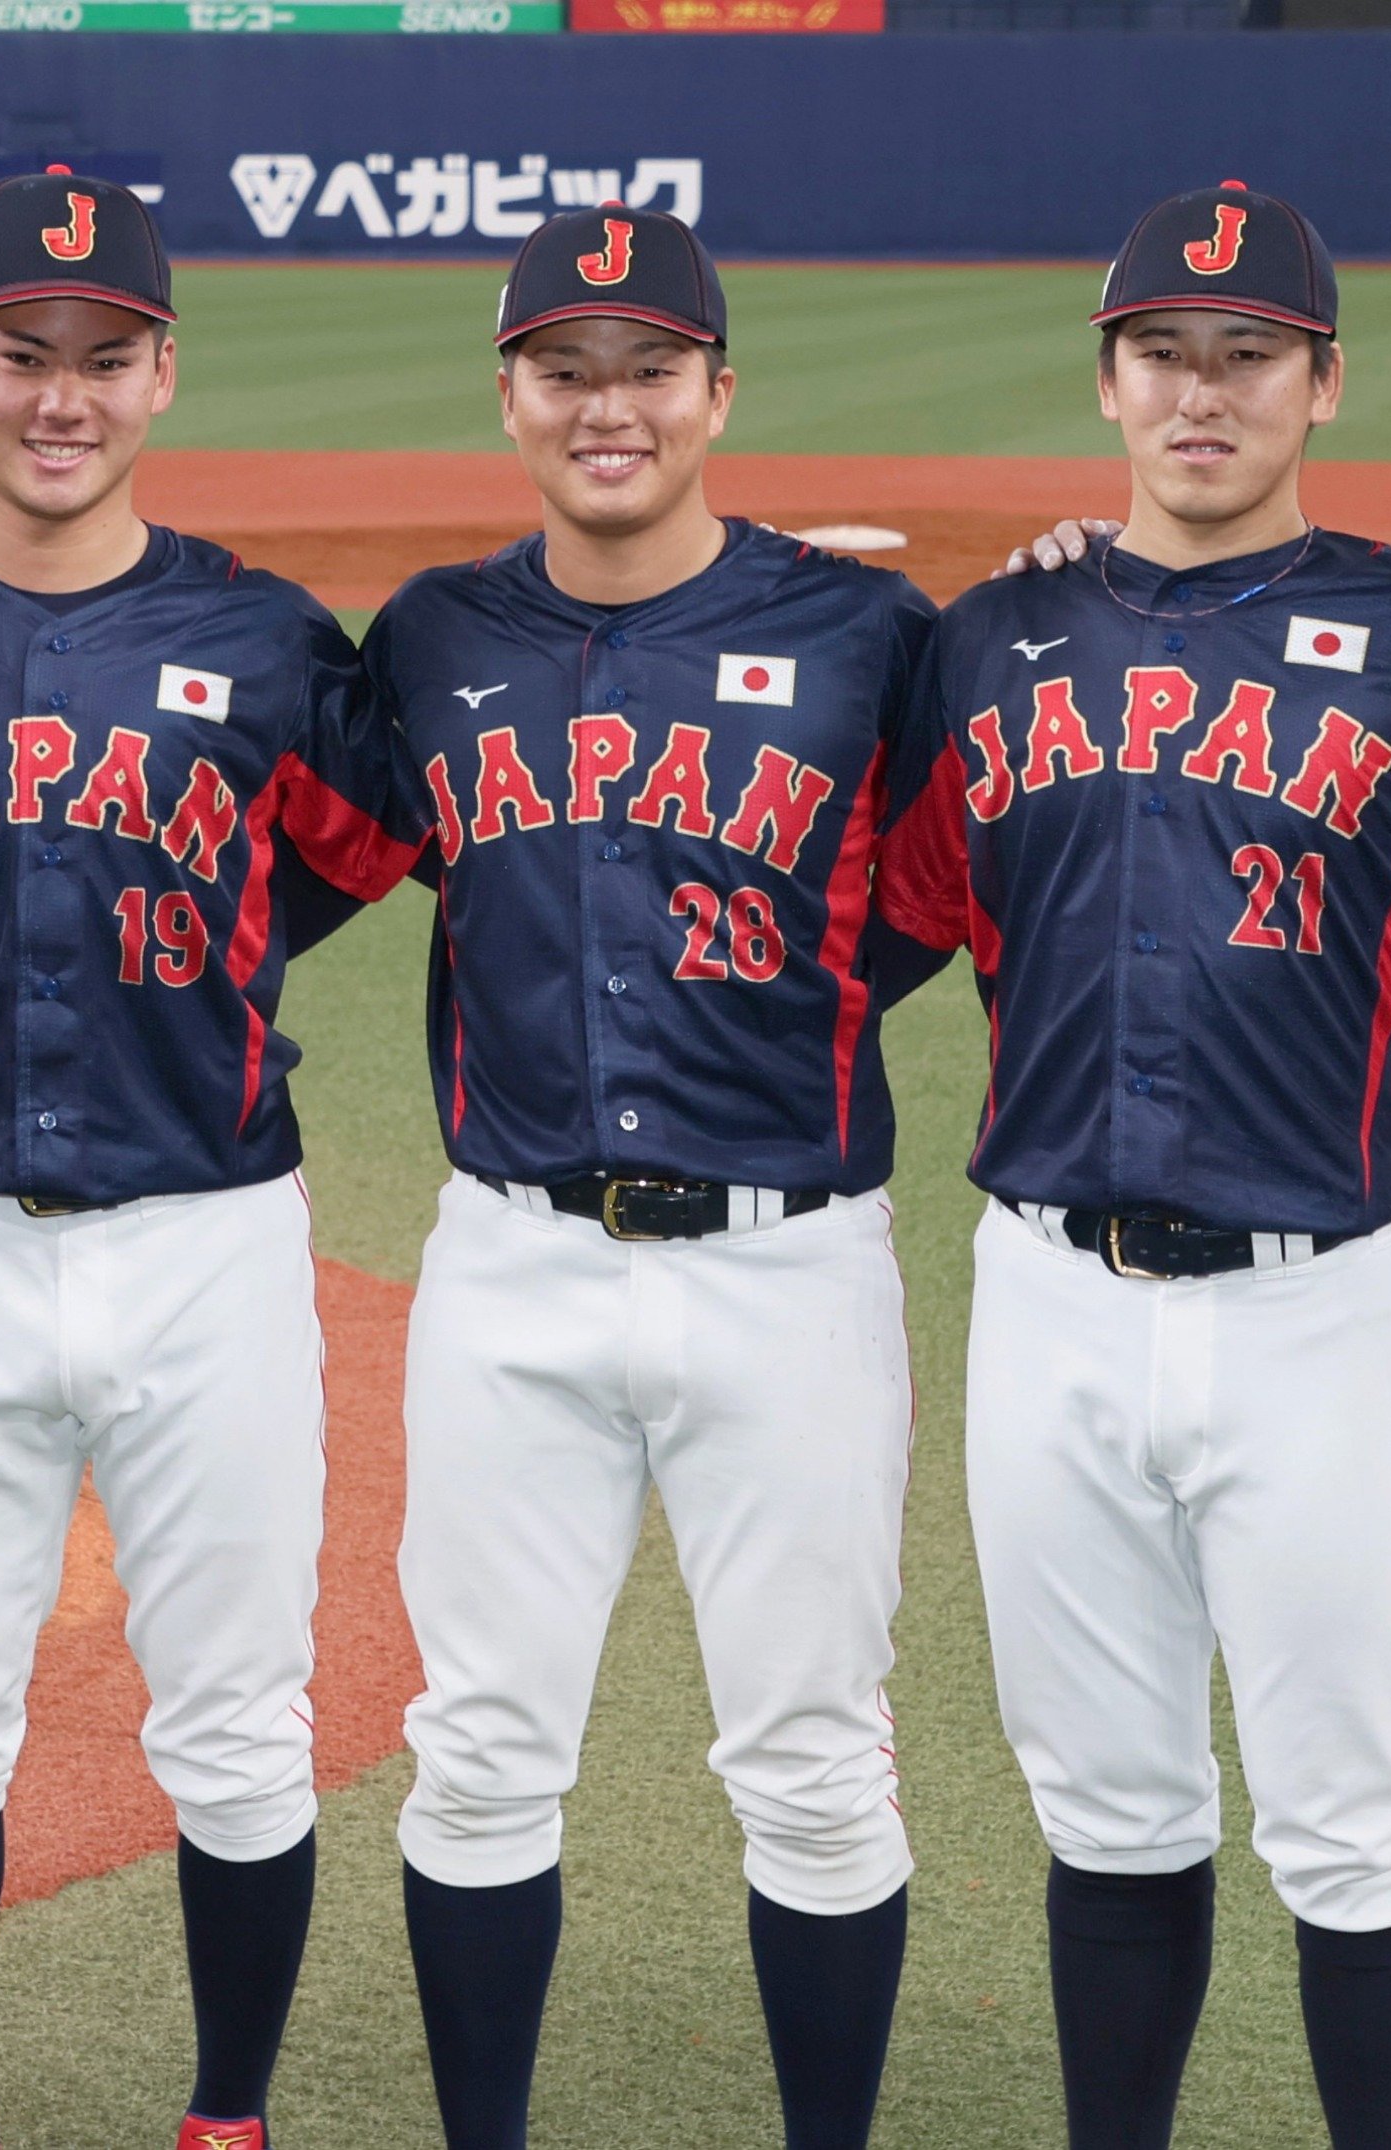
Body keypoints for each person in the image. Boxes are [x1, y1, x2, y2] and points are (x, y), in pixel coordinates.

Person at [0, 170, 407, 2150]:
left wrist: (202, 943)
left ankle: (225, 2115)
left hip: (206, 1244)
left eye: (103, 358)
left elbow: (372, 843)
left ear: (160, 377)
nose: (60, 395)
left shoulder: (263, 637)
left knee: (235, 1711)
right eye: (21, 352)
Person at [882, 182, 1391, 2150]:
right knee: (1110, 1813)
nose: (1200, 389)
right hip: (1046, 1304)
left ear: (1320, 384)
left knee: (1348, 1817)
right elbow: (872, 916)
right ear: (1104, 377)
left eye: (1248, 352)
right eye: (1162, 349)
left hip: (1311, 1309)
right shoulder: (988, 638)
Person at [353, 203, 948, 2150]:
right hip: (512, 1265)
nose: (604, 406)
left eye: (645, 368)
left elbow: (946, 884)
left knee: (810, 1763)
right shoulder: (432, 640)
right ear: (509, 391)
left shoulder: (866, 638)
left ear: (714, 391)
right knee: (474, 1754)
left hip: (783, 1266)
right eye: (562, 368)